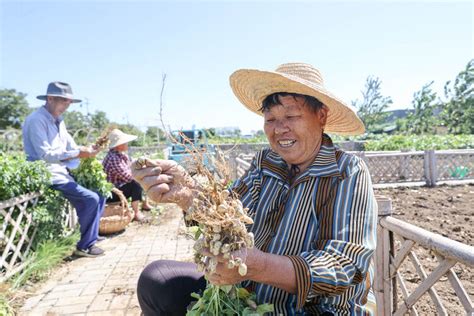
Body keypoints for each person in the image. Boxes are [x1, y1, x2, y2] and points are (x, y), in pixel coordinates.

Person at [132, 63, 377, 315]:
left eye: (291, 116)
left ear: (321, 116)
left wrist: (256, 266)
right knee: (157, 279)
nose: (279, 129)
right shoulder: (265, 163)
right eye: (271, 119)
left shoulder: (346, 171)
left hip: (309, 309)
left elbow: (344, 266)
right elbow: (228, 215)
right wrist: (187, 194)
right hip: (247, 296)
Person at [22, 81, 106, 258]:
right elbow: (45, 154)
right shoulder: (36, 120)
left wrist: (88, 150)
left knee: (101, 194)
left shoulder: (59, 121)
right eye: (63, 102)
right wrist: (77, 153)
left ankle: (91, 236)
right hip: (47, 174)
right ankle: (84, 246)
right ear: (50, 98)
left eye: (68, 103)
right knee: (90, 198)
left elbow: (72, 147)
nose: (66, 107)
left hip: (62, 173)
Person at [102, 128, 152, 222]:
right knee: (136, 182)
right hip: (113, 192)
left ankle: (145, 203)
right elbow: (128, 177)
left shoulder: (121, 155)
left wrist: (141, 163)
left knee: (141, 176)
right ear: (118, 145)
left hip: (121, 186)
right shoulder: (113, 158)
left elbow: (132, 164)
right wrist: (139, 172)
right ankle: (136, 212)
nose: (127, 144)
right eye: (124, 142)